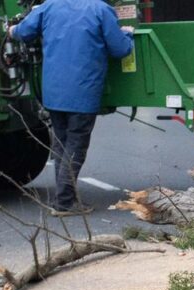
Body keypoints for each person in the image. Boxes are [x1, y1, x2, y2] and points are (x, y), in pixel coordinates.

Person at [10, 0, 135, 216]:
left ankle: (64, 198)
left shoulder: (49, 6)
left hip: (54, 92)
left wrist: (11, 30)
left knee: (61, 144)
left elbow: (23, 32)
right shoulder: (100, 9)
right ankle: (65, 203)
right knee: (76, 145)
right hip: (82, 92)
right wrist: (128, 34)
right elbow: (120, 49)